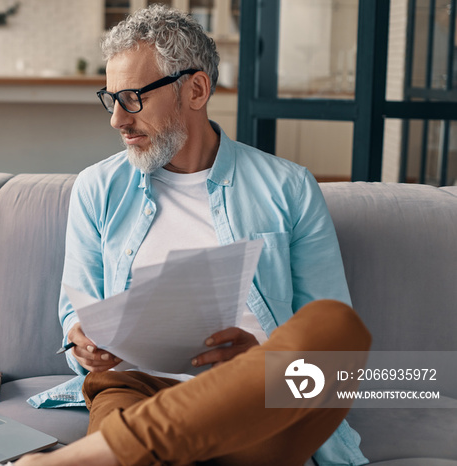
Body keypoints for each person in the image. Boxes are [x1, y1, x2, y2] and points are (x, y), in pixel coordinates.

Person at [22, 5, 372, 465]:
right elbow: (77, 307)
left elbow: (326, 337)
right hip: (136, 388)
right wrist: (82, 341)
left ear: (196, 89)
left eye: (132, 97)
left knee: (338, 326)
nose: (117, 121)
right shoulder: (97, 187)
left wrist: (263, 356)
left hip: (251, 393)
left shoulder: (289, 186)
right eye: (110, 100)